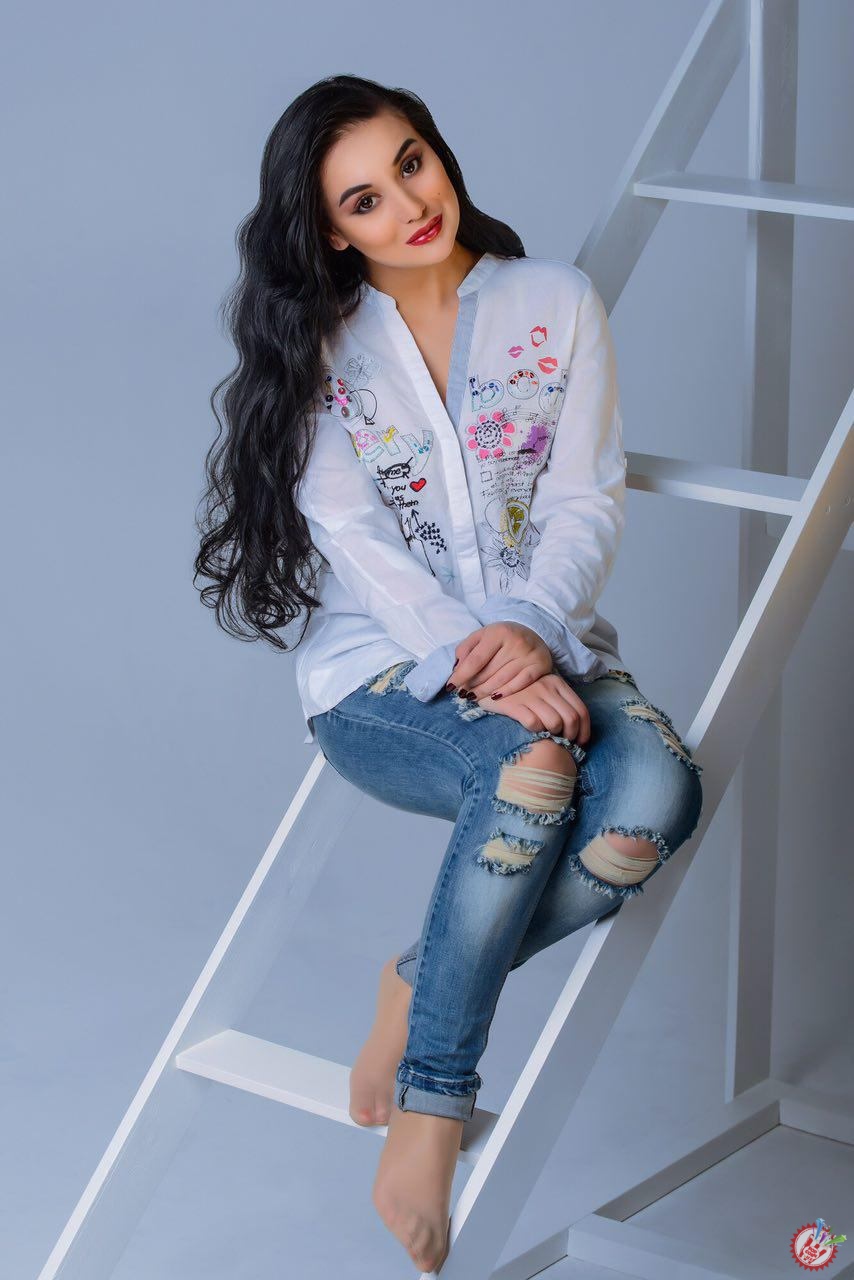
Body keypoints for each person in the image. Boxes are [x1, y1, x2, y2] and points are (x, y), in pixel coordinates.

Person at [194, 72, 704, 1276]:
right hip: (383, 669)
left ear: (436, 151)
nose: (409, 204)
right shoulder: (324, 349)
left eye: (411, 163)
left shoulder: (552, 301)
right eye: (364, 199)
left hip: (550, 641)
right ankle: (435, 1101)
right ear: (333, 232)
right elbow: (353, 539)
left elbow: (584, 497)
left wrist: (526, 627)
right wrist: (476, 664)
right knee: (531, 769)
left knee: (654, 802)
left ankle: (416, 980)